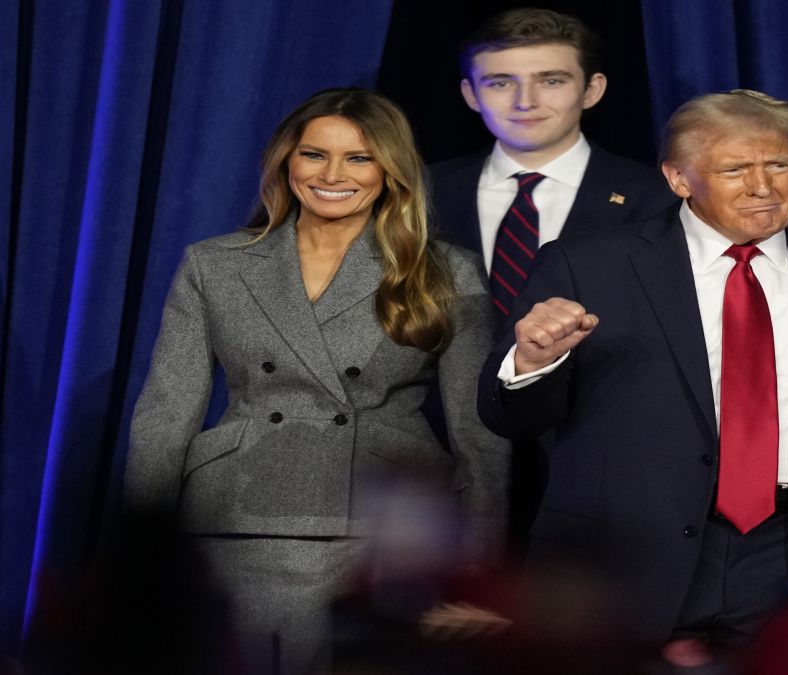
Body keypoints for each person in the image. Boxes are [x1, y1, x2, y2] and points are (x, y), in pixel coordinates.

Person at [477, 90, 788, 648]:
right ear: (679, 179)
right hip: (628, 562)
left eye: (779, 165)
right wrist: (534, 362)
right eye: (735, 169)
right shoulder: (588, 264)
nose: (763, 186)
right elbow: (508, 418)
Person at [125, 88, 509, 673]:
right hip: (234, 518)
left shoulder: (444, 270)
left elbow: (478, 428)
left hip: (381, 528)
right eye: (314, 155)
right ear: (286, 161)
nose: (333, 174)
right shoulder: (215, 263)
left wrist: (478, 565)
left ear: (390, 170)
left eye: (359, 158)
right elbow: (166, 412)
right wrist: (141, 550)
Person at [428, 7, 677, 556]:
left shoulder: (657, 200)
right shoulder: (419, 195)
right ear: (470, 94)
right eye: (500, 82)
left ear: (593, 89)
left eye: (551, 80)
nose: (525, 101)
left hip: (594, 467)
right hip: (444, 475)